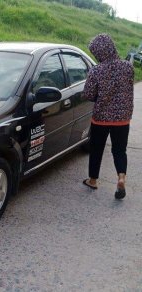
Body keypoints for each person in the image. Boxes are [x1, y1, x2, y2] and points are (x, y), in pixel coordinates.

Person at [82, 33, 134, 199]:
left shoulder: (96, 70)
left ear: (98, 52)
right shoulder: (128, 67)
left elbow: (89, 94)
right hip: (122, 119)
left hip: (101, 118)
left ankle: (93, 180)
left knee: (96, 149)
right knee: (119, 150)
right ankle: (121, 177)